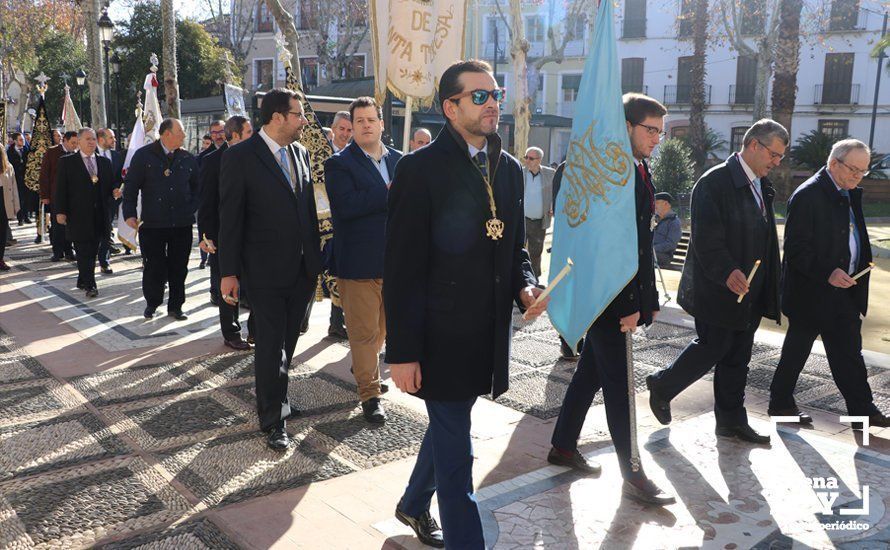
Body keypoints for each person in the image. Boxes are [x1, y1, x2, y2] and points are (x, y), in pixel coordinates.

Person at [386, 59, 546, 549]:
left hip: (488, 333)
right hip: (437, 338)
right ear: (450, 107)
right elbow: (402, 268)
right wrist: (403, 351)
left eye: (494, 93)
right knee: (459, 456)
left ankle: (413, 503)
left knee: (450, 422)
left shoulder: (511, 168)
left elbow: (515, 247)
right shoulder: (418, 169)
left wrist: (526, 285)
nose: (493, 102)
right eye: (480, 96)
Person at [548, 93, 675, 507]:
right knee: (620, 386)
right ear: (625, 126)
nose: (657, 138)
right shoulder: (596, 171)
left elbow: (640, 242)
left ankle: (563, 447)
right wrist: (626, 305)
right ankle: (632, 473)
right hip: (606, 296)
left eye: (660, 130)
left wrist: (650, 296)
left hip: (626, 292)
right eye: (650, 129)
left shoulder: (639, 167)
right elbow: (598, 245)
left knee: (591, 374)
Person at [646, 119, 787, 445]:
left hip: (749, 290)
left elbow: (763, 235)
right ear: (754, 145)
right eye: (774, 155)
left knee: (738, 355)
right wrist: (727, 271)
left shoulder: (762, 184)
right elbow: (707, 239)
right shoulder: (714, 182)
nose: (777, 163)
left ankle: (730, 422)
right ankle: (663, 385)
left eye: (780, 157)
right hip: (717, 287)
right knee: (714, 346)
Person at [219, 88, 322, 451]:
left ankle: (276, 393)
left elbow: (306, 210)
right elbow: (229, 219)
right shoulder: (241, 157)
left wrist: (317, 262)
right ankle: (273, 418)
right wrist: (228, 272)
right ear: (277, 117)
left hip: (302, 269)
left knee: (288, 343)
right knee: (270, 345)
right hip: (262, 271)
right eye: (298, 114)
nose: (303, 121)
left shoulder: (302, 153)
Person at [769, 139, 890, 429]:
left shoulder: (849, 191)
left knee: (848, 354)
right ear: (834, 163)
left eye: (863, 171)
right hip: (811, 294)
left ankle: (862, 411)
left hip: (845, 292)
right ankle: (780, 403)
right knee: (796, 353)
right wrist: (829, 272)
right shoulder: (808, 195)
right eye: (853, 169)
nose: (858, 176)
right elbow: (796, 249)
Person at [325, 96, 402, 424]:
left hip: (395, 262)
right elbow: (347, 206)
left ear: (382, 124)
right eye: (360, 121)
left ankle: (364, 365)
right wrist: (388, 191)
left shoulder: (401, 161)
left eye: (372, 120)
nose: (366, 125)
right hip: (357, 263)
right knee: (363, 332)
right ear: (352, 127)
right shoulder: (339, 164)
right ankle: (370, 395)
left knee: (382, 330)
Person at [123, 118, 200, 320]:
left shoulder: (187, 158)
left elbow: (198, 188)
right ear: (167, 134)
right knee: (154, 266)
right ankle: (152, 303)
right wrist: (129, 213)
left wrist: (191, 207)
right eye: (180, 132)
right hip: (153, 223)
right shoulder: (144, 156)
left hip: (181, 223)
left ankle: (176, 306)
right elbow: (131, 186)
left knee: (179, 267)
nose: (184, 136)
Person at [198, 115, 254, 351]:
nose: (254, 136)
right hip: (223, 234)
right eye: (249, 132)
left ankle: (256, 329)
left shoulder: (258, 158)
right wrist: (206, 236)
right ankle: (231, 332)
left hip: (253, 234)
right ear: (236, 136)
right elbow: (206, 201)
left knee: (255, 283)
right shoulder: (212, 162)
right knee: (226, 282)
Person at [53, 128, 119, 298]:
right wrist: (60, 211)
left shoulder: (104, 162)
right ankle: (91, 285)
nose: (91, 142)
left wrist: (115, 191)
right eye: (88, 139)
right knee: (84, 251)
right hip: (78, 216)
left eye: (93, 139)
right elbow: (60, 189)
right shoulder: (67, 162)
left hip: (100, 215)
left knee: (93, 250)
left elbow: (112, 184)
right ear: (80, 141)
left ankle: (83, 278)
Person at [39, 130, 78, 262]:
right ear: (65, 141)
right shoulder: (52, 152)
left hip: (73, 196)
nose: (75, 145)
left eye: (76, 143)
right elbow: (44, 175)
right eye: (73, 143)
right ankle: (57, 251)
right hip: (56, 195)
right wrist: (45, 195)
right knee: (57, 225)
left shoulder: (77, 154)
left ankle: (69, 250)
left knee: (70, 224)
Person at [521, 146, 554, 278]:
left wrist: (553, 207)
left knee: (536, 253)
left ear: (539, 160)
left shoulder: (550, 174)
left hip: (539, 221)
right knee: (518, 251)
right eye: (526, 157)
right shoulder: (519, 172)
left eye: (531, 158)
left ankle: (534, 279)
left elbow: (557, 193)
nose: (527, 161)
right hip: (521, 221)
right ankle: (519, 278)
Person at [96, 128, 124, 273]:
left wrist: (117, 188)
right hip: (92, 201)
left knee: (107, 231)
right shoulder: (90, 154)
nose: (115, 141)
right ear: (101, 139)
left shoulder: (117, 156)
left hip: (110, 200)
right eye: (111, 138)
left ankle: (104, 261)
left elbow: (119, 177)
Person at [0, 146, 22, 271]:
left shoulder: (8, 167)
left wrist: (16, 206)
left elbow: (14, 188)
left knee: (2, 233)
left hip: (4, 201)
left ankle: (0, 259)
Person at [653, 191, 682, 268]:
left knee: (642, 256)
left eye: (657, 203)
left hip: (664, 255)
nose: (654, 205)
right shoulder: (653, 219)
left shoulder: (674, 222)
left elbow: (671, 244)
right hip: (651, 252)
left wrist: (652, 249)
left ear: (666, 204)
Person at [7, 133, 29, 225]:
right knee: (19, 198)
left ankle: (26, 216)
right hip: (16, 178)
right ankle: (20, 218)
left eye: (23, 139)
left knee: (26, 198)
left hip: (26, 177)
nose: (22, 141)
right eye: (20, 140)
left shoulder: (27, 150)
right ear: (15, 141)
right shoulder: (10, 152)